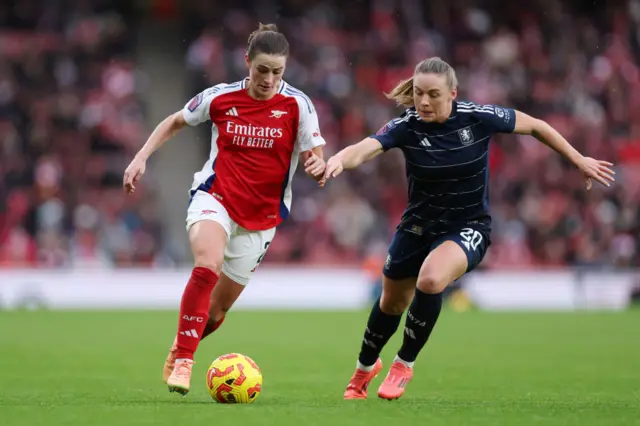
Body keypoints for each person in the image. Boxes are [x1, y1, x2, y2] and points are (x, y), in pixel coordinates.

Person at [323, 57, 615, 401]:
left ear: (453, 94)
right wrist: (339, 160)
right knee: (391, 303)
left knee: (430, 280)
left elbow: (536, 125)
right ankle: (364, 368)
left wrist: (578, 159)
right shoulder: (407, 125)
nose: (424, 102)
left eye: (433, 94)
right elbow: (365, 149)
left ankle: (404, 363)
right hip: (417, 227)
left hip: (468, 226)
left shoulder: (478, 117)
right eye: (418, 94)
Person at [122, 23, 327, 395]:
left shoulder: (298, 105)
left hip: (261, 220)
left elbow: (317, 156)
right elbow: (174, 121)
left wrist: (317, 166)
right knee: (207, 265)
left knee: (215, 314)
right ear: (247, 62)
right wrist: (140, 158)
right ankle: (185, 360)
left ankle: (181, 344)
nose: (268, 79)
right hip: (215, 198)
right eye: (261, 69)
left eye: (277, 71)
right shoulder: (219, 97)